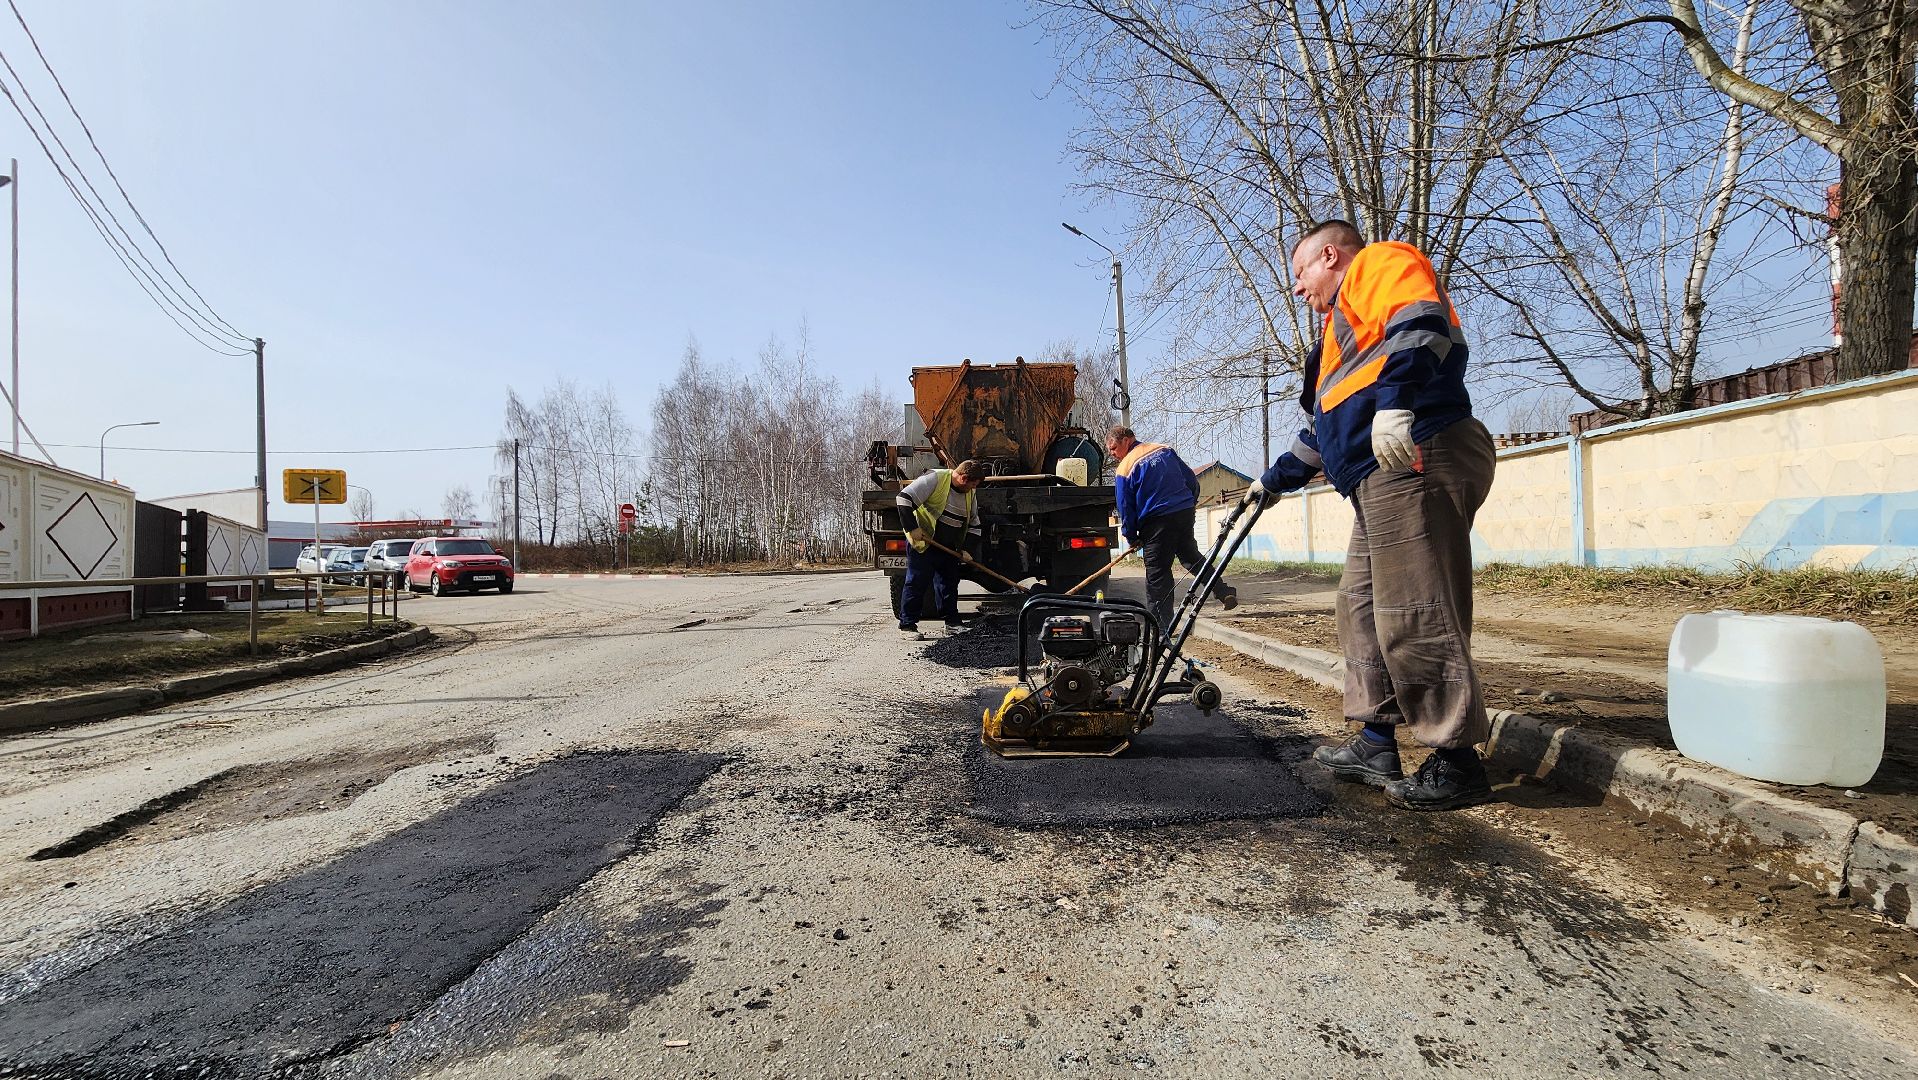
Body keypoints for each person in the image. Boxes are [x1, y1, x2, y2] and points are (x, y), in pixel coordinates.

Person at [1248, 220, 1497, 811]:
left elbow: (1423, 326)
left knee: (1414, 607)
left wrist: (1396, 406)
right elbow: (1330, 425)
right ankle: (1375, 740)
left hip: (1415, 453)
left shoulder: (1377, 264)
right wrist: (1272, 480)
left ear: (1329, 256)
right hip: (1376, 474)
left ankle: (1456, 758)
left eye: (1301, 273)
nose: (1299, 289)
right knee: (1359, 607)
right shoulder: (1339, 333)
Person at [1106, 425, 1237, 635]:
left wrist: (1131, 536)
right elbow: (1190, 480)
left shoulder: (1125, 468)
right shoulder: (1164, 449)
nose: (1112, 454)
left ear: (1126, 440)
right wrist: (1188, 504)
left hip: (1156, 522)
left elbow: (1125, 507)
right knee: (1191, 557)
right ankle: (1223, 591)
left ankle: (1159, 627)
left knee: (1158, 574)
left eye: (1113, 448)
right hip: (1183, 512)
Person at [894, 459, 984, 637]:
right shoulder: (935, 478)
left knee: (948, 585)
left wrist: (968, 550)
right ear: (964, 478)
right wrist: (913, 528)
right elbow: (903, 499)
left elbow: (975, 524)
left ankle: (952, 623)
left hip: (949, 547)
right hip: (925, 544)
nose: (974, 489)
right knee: (917, 582)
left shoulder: (969, 493)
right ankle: (907, 626)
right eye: (973, 484)